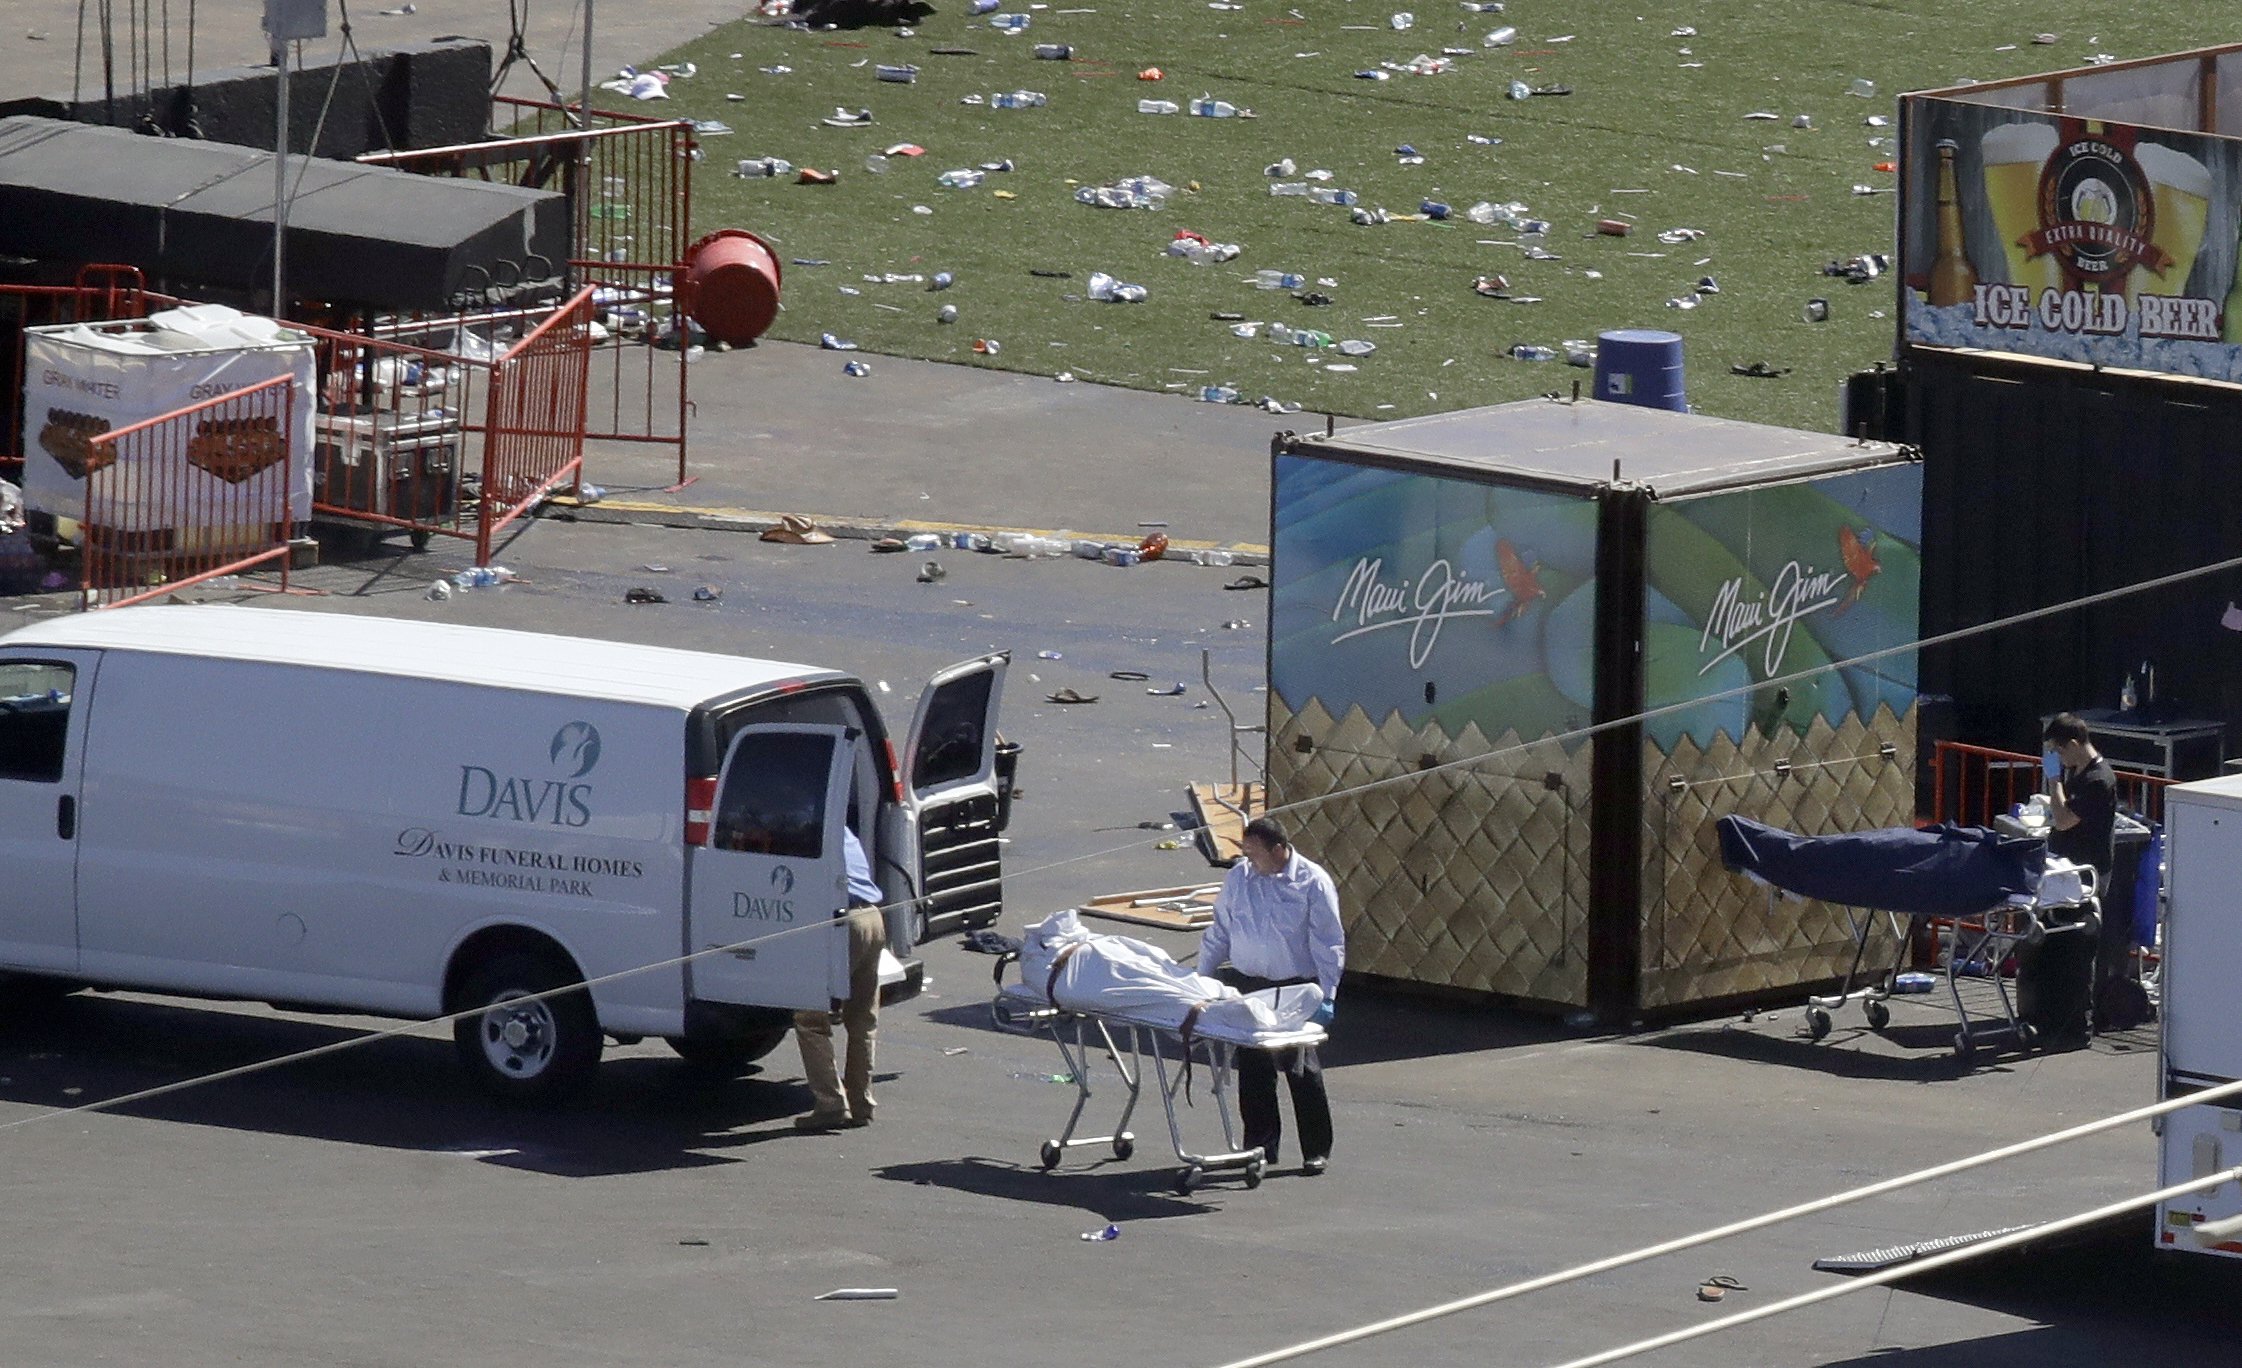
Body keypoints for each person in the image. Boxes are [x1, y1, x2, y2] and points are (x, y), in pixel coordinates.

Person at [1198, 816, 1345, 1175]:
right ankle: (1261, 1147)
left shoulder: (1312, 882)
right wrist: (1200, 979)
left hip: (1294, 987)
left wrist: (1328, 996)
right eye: (1245, 852)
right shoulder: (1239, 879)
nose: (1249, 860)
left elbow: (1328, 943)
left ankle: (1316, 1149)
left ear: (1278, 849)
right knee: (1253, 1069)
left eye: (1255, 853)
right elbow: (1220, 931)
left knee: (1300, 1068)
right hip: (1249, 984)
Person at [794, 825, 887, 1130]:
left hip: (842, 921)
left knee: (810, 1018)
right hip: (872, 917)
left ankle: (831, 1103)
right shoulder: (842, 830)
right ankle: (862, 1102)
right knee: (862, 1020)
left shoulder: (810, 831)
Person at [2041, 713, 2119, 1042]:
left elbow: (2063, 819)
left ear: (2073, 745)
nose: (2059, 758)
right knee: (2059, 946)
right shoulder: (2080, 772)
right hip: (2067, 870)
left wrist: (2054, 781)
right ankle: (2054, 1016)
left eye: (2060, 751)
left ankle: (2077, 1026)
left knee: (2078, 952)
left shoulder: (2097, 780)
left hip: (2086, 876)